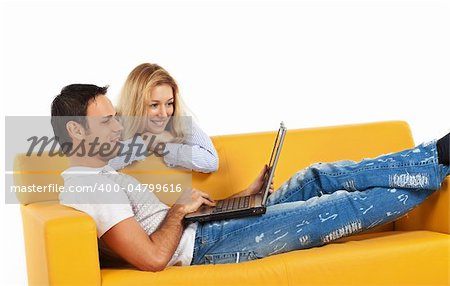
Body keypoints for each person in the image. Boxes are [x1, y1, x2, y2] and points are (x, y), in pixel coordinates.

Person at [51, 84, 450, 271]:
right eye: (106, 121)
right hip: (207, 245)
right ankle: (442, 160)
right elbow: (154, 258)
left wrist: (243, 195)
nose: (118, 127)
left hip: (206, 229)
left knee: (316, 176)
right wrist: (178, 211)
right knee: (337, 209)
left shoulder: (98, 174)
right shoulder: (91, 187)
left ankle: (436, 156)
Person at [108, 63, 218, 173]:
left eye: (169, 103)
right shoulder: (115, 120)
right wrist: (145, 141)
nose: (164, 114)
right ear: (135, 105)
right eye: (154, 105)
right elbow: (100, 164)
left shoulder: (178, 118)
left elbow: (211, 161)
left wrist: (162, 146)